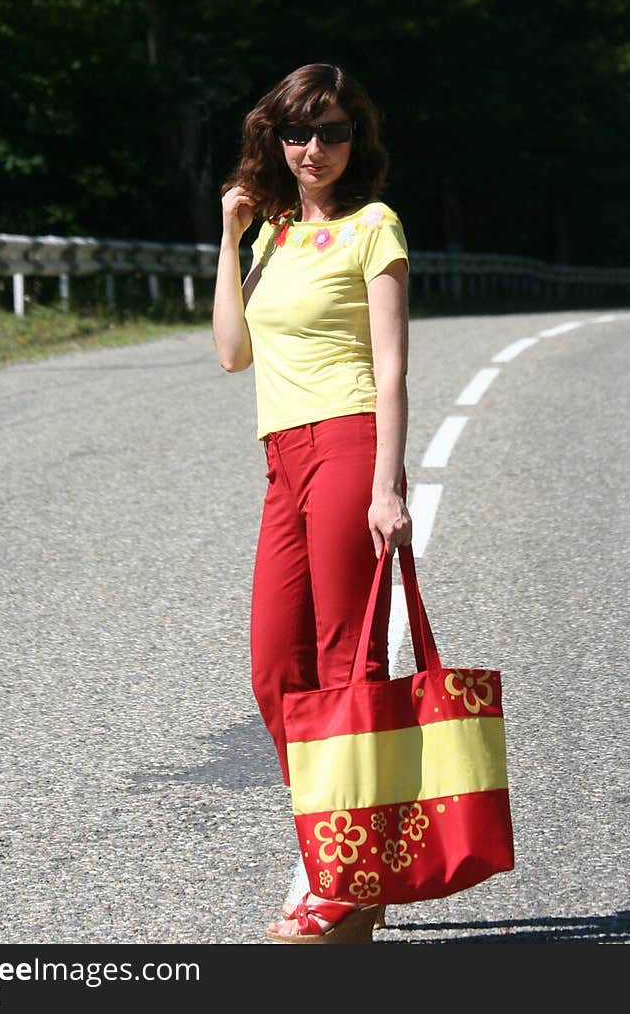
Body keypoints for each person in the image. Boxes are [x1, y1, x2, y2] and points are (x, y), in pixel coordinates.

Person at [212, 62, 412, 944]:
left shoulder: (375, 226)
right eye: (298, 133)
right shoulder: (274, 237)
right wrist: (228, 236)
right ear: (275, 142)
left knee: (345, 662)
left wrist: (388, 484)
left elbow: (395, 365)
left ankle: (345, 881)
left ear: (354, 139)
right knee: (272, 667)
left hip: (348, 441)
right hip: (281, 459)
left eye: (331, 132)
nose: (314, 148)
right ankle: (346, 862)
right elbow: (230, 353)